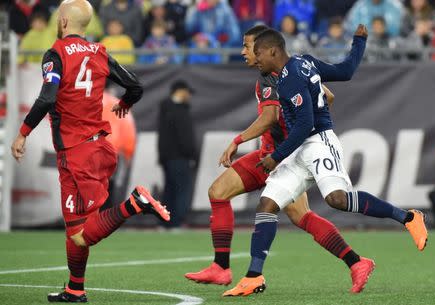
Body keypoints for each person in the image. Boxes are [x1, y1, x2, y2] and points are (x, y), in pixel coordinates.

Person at [223, 25, 428, 296]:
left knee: (337, 200)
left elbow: (306, 122)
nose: (255, 58)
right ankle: (253, 276)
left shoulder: (290, 78)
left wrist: (276, 156)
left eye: (257, 52)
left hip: (319, 141)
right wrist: (359, 41)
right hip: (298, 147)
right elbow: (345, 71)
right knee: (267, 204)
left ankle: (408, 217)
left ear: (273, 50)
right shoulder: (304, 62)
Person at [185, 25, 374, 294]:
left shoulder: (276, 76)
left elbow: (271, 117)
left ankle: (355, 262)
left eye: (247, 46)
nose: (244, 52)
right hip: (267, 156)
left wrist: (238, 140)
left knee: (301, 216)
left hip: (284, 157)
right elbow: (328, 96)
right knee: (218, 192)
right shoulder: (272, 74)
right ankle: (221, 267)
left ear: (265, 48)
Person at [10, 0, 170, 302]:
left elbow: (47, 98)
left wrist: (22, 133)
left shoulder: (55, 54)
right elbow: (135, 86)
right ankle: (75, 289)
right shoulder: (99, 52)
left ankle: (134, 204)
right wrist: (124, 104)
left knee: (83, 233)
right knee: (74, 230)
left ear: (63, 21)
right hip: (91, 147)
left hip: (77, 152)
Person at [158, 80, 198, 229]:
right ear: (181, 91)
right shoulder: (180, 110)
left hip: (168, 158)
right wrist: (192, 155)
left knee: (170, 190)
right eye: (187, 92)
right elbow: (185, 137)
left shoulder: (165, 108)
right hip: (180, 158)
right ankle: (177, 222)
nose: (189, 96)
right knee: (181, 191)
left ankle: (165, 222)